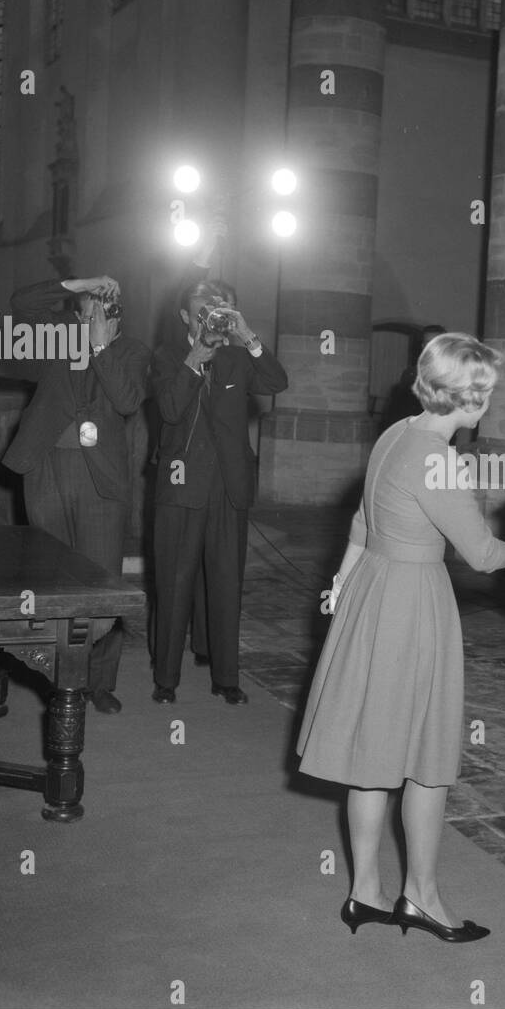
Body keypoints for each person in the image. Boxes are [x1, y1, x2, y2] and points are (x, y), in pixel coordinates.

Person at [297, 333, 505, 942]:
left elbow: (361, 523)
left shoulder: (396, 434)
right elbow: (484, 554)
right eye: (486, 392)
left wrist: (341, 583)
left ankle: (364, 892)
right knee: (427, 760)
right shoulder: (442, 459)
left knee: (372, 754)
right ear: (471, 397)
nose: (488, 402)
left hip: (371, 594)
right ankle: (423, 897)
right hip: (414, 603)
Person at [2, 272, 151, 714]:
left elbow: (126, 401)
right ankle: (57, 677)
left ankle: (99, 682)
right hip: (46, 467)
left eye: (102, 307)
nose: (92, 314)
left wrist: (101, 346)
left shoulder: (134, 351)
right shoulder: (57, 337)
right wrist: (79, 282)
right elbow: (22, 299)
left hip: (98, 479)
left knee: (101, 581)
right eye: (87, 307)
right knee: (51, 579)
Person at [150, 280, 287, 704]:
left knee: (227, 584)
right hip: (182, 487)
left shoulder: (239, 356)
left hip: (229, 488)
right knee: (174, 584)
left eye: (219, 310)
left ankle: (227, 678)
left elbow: (277, 383)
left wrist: (247, 334)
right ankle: (166, 680)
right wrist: (194, 359)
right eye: (202, 310)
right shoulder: (167, 356)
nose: (211, 317)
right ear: (186, 318)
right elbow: (171, 409)